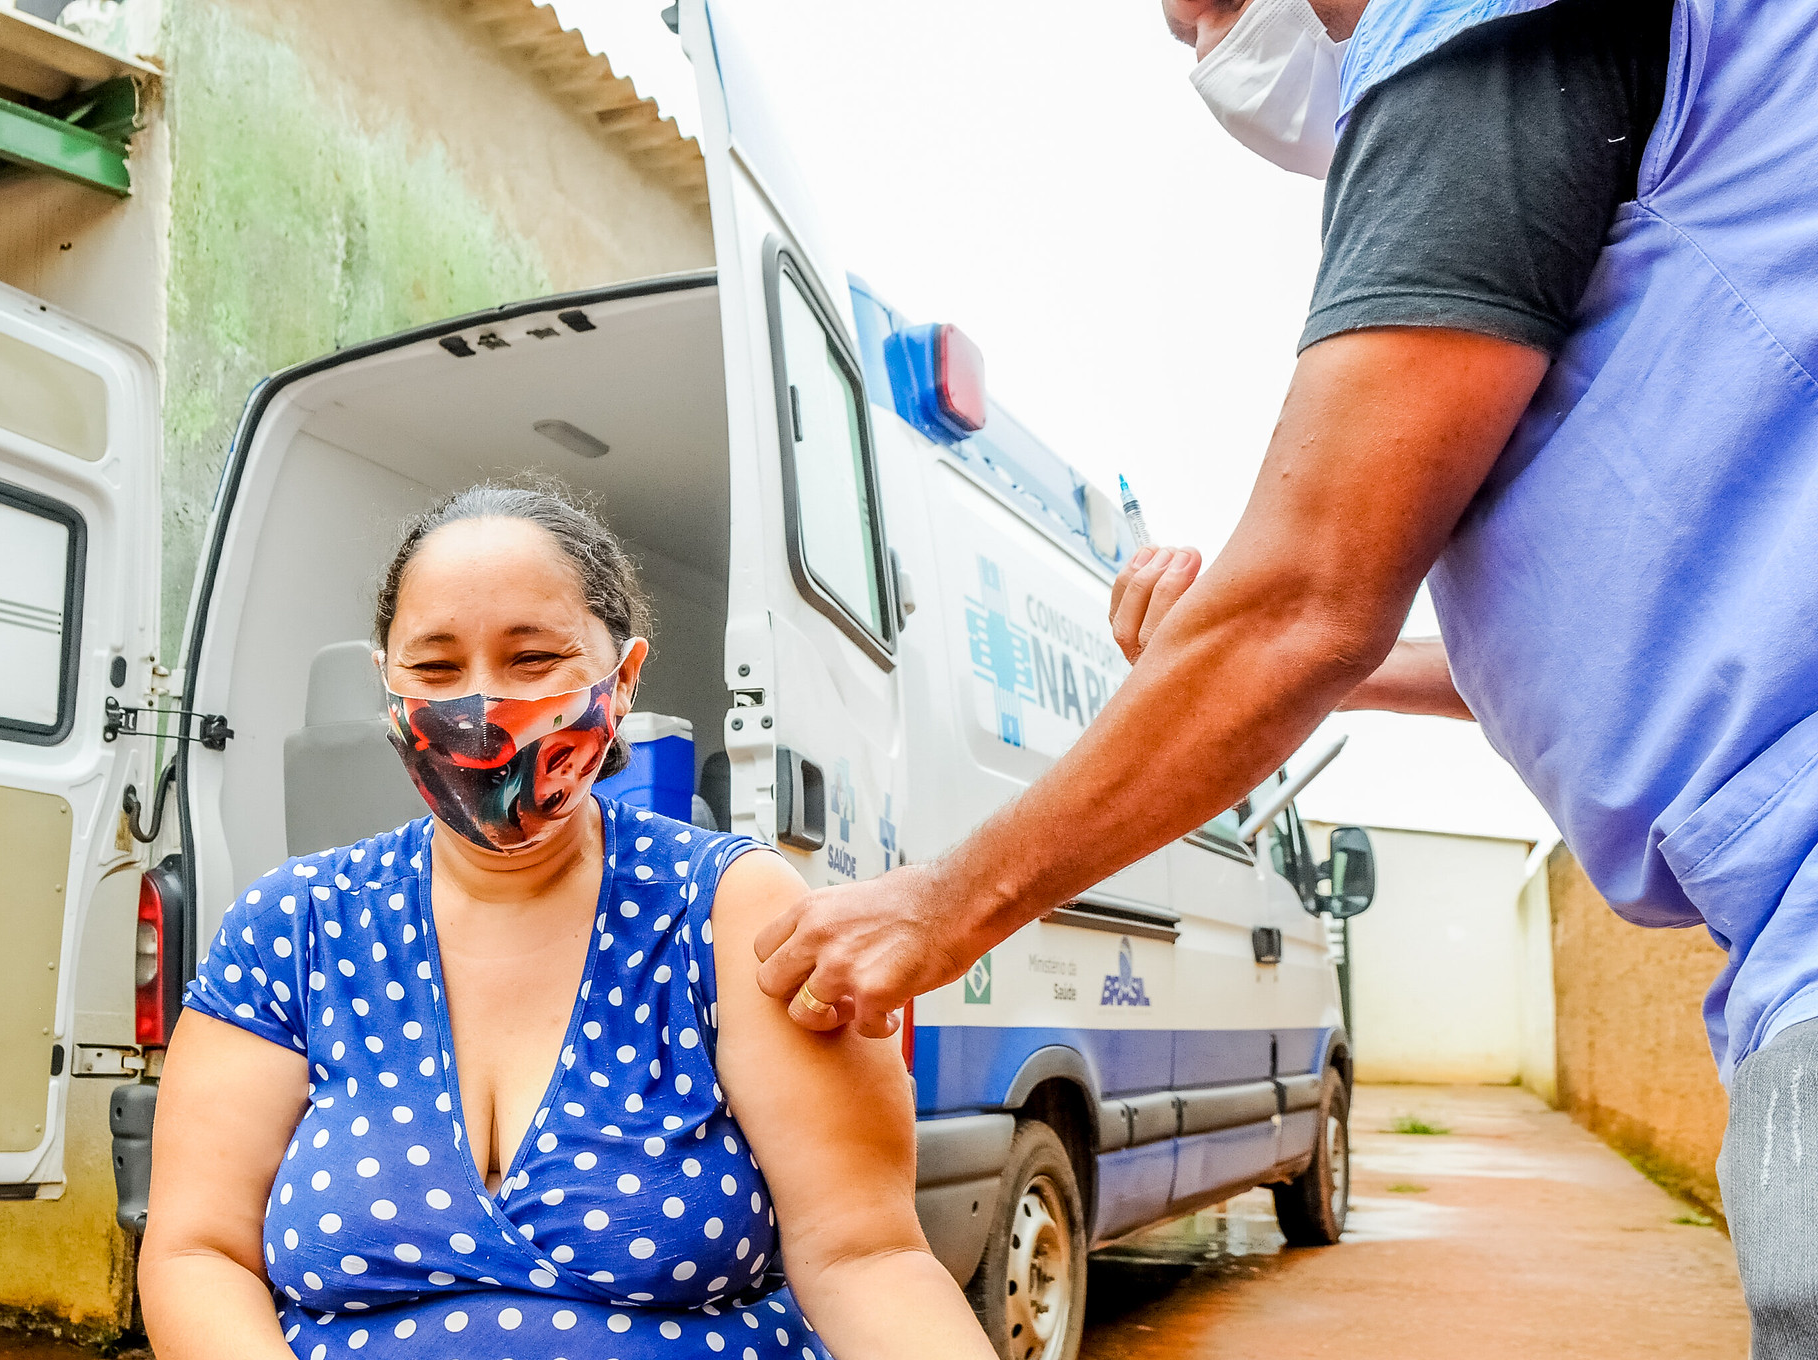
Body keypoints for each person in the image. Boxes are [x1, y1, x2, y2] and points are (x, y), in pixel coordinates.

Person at [753, 0, 1818, 1349]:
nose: (1185, 31)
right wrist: (1313, 662)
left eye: (1195, 2)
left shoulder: (1473, 25)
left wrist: (946, 904)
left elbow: (1307, 599)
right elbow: (1580, 616)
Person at [138, 484, 994, 1359]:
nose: (479, 707)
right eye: (434, 669)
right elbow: (197, 1251)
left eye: (533, 660)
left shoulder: (729, 914)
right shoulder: (296, 925)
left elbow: (867, 1255)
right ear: (386, 686)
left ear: (620, 681)